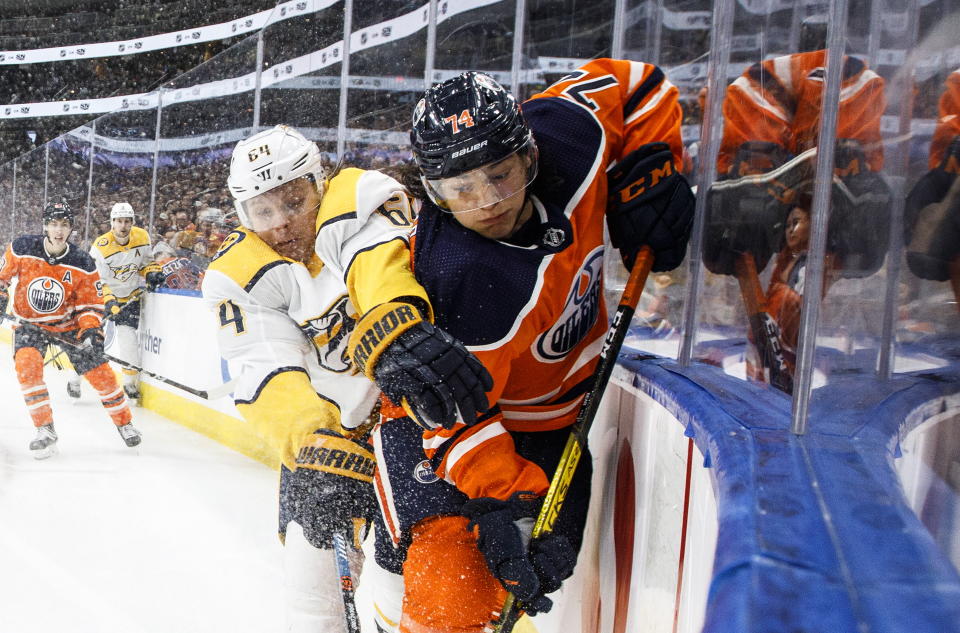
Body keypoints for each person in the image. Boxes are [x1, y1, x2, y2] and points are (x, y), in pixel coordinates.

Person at [366, 60, 695, 632]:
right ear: (434, 192)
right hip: (440, 423)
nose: (488, 200)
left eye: (500, 173)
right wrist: (507, 501)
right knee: (452, 583)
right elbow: (452, 415)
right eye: (460, 188)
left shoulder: (571, 136)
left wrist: (653, 167)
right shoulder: (458, 274)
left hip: (552, 421)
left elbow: (639, 82)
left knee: (540, 567)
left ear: (530, 152)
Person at [201, 125, 491, 632]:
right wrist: (313, 444)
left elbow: (379, 271)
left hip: (409, 423)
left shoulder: (358, 200)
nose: (283, 224)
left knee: (398, 582)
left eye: (294, 200)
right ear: (242, 214)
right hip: (329, 434)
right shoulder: (237, 272)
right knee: (310, 591)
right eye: (262, 212)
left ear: (320, 181)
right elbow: (262, 362)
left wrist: (391, 325)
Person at [0, 200, 141, 459]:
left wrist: (90, 330)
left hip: (67, 326)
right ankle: (45, 429)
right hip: (30, 324)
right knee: (27, 367)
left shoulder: (82, 262)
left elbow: (90, 305)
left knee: (102, 374)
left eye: (64, 225)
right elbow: (2, 278)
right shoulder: (21, 248)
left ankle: (125, 423)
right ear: (45, 226)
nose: (58, 230)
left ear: (70, 229)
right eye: (53, 224)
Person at [84, 201, 166, 403]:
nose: (123, 226)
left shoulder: (142, 237)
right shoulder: (100, 247)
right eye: (119, 221)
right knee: (90, 340)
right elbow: (97, 281)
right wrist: (109, 301)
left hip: (129, 296)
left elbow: (147, 263)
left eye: (127, 221)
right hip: (101, 298)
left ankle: (129, 383)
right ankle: (75, 378)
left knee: (128, 340)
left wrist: (152, 273)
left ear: (132, 222)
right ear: (112, 222)